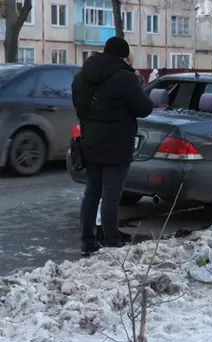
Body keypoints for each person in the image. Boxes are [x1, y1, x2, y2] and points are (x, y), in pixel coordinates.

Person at [72, 36, 153, 256]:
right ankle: (111, 241)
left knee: (92, 193)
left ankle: (87, 241)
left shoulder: (82, 76)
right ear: (124, 55)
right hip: (117, 146)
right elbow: (144, 108)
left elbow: (79, 107)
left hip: (90, 143)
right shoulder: (125, 78)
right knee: (111, 195)